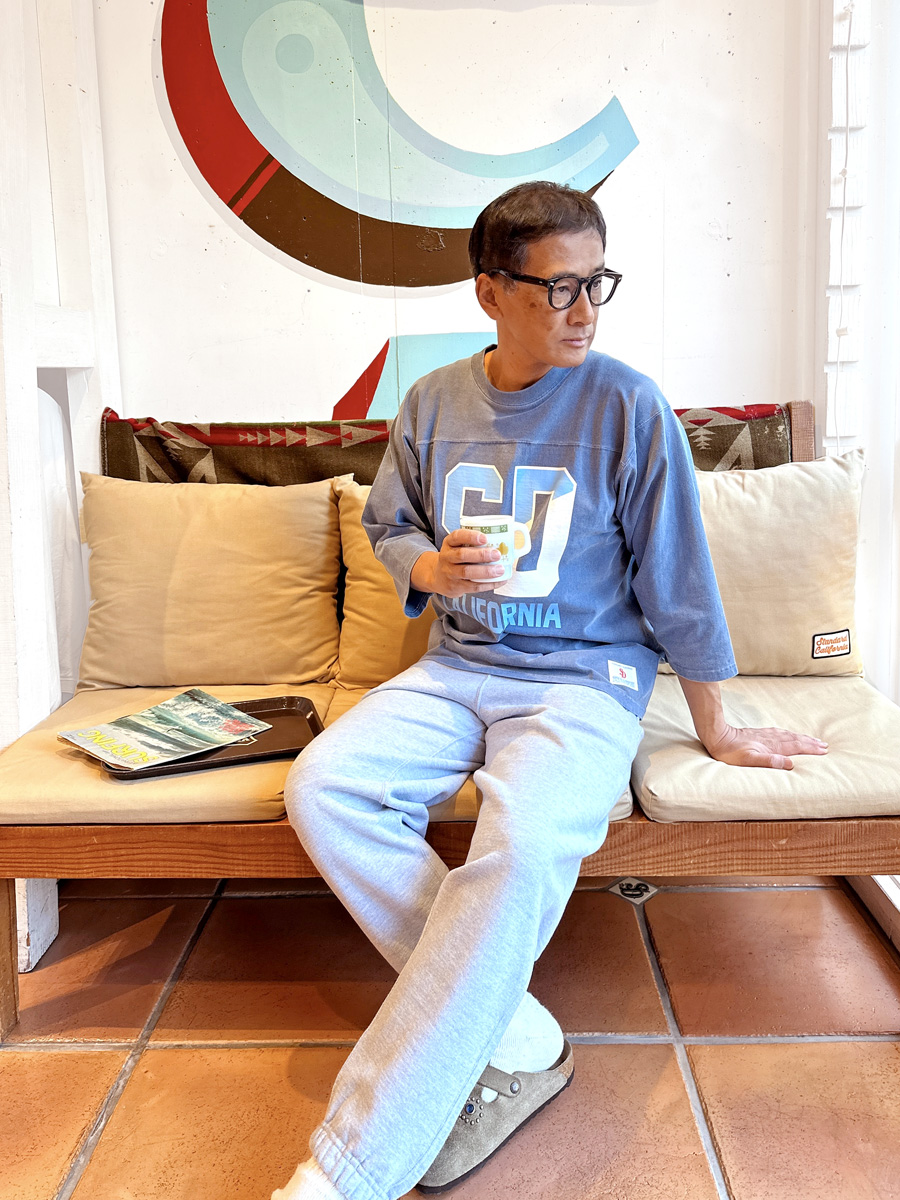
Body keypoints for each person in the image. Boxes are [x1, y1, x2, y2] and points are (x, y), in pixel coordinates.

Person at [274, 181, 827, 1200]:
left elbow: (679, 578)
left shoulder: (628, 405)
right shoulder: (432, 403)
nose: (584, 310)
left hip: (584, 682)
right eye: (558, 287)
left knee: (523, 846)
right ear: (491, 292)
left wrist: (718, 721)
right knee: (323, 788)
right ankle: (510, 1020)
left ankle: (349, 1168)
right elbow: (391, 526)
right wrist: (429, 568)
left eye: (596, 282)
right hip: (458, 669)